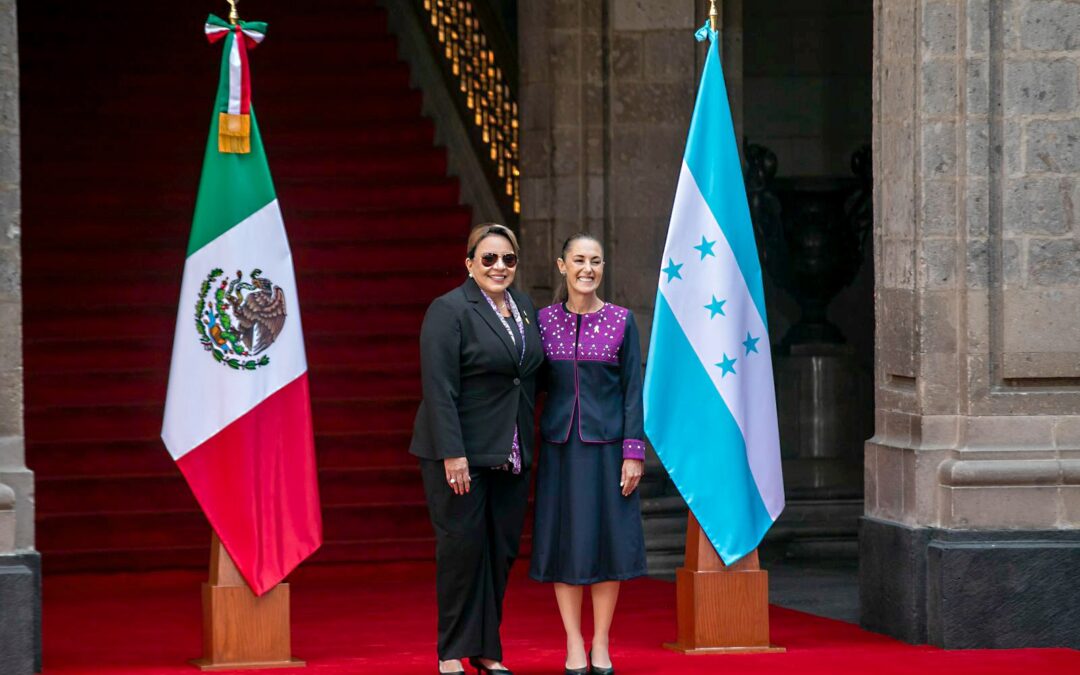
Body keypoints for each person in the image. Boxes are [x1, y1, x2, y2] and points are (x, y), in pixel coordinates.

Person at [410, 223, 544, 675]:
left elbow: (527, 376)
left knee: (500, 552)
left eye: (508, 259)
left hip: (511, 451)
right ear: (469, 263)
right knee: (462, 551)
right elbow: (439, 387)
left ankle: (486, 648)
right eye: (488, 258)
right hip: (461, 453)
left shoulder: (524, 307)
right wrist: (453, 453)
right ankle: (451, 650)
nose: (499, 267)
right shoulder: (448, 310)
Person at [530, 233, 648, 675]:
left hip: (608, 452)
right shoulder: (541, 321)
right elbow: (528, 384)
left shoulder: (622, 320)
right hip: (560, 450)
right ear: (562, 266)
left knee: (607, 545)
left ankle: (601, 642)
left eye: (595, 261)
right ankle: (573, 642)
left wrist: (633, 452)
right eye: (578, 260)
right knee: (566, 545)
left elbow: (633, 391)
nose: (587, 268)